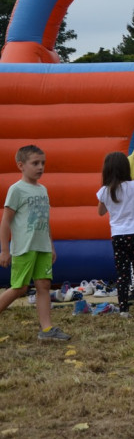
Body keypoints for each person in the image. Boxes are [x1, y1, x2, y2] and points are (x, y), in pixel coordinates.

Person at [0, 145, 71, 341]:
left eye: (43, 163)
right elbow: (5, 221)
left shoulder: (43, 190)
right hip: (24, 247)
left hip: (42, 248)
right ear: (21, 165)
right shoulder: (16, 190)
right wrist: (5, 249)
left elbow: (44, 220)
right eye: (35, 163)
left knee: (44, 286)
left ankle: (47, 330)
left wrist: (51, 245)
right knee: (20, 288)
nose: (40, 167)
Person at [97, 151, 134, 318]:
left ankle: (123, 310)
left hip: (118, 235)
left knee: (123, 274)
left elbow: (101, 212)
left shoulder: (104, 191)